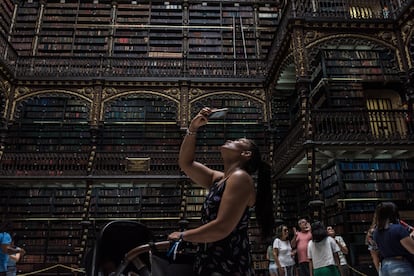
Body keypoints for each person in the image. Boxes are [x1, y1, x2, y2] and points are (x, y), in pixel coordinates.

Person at [168, 107, 274, 275]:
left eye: (237, 140)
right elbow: (186, 164)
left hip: (228, 263)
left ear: (246, 154)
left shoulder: (240, 178)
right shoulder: (220, 179)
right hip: (212, 259)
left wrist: (183, 235)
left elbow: (223, 227)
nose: (230, 139)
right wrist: (193, 128)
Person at [372, 202, 414, 276]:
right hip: (400, 265)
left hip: (385, 266)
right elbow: (412, 249)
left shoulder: (375, 232)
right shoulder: (398, 229)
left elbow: (375, 252)